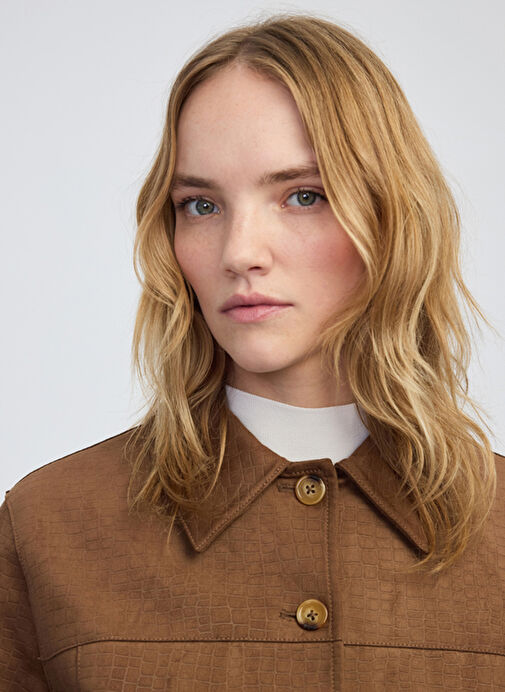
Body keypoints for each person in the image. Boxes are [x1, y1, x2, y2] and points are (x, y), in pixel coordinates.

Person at [1, 13, 503, 691]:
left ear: (391, 218)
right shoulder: (49, 526)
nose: (239, 253)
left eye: (303, 196)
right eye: (201, 205)